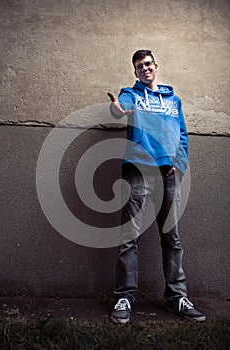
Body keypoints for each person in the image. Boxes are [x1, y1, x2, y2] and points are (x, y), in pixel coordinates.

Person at [107, 49, 206, 324]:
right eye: (139, 66)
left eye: (148, 64)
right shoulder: (131, 94)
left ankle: (177, 297)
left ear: (156, 66)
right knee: (129, 237)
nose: (145, 68)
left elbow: (183, 134)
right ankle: (124, 297)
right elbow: (119, 108)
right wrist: (117, 108)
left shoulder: (174, 100)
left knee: (171, 238)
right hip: (137, 172)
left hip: (167, 175)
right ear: (135, 71)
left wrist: (180, 162)